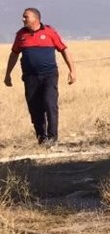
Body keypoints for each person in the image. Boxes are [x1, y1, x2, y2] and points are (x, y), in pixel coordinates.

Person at [4, 8, 77, 146]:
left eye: (26, 17)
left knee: (50, 104)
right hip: (30, 77)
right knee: (34, 107)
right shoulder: (21, 34)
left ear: (36, 18)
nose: (23, 19)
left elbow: (63, 50)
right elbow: (14, 54)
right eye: (23, 17)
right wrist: (8, 74)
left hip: (49, 75)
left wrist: (72, 71)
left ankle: (52, 138)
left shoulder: (49, 32)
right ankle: (41, 138)